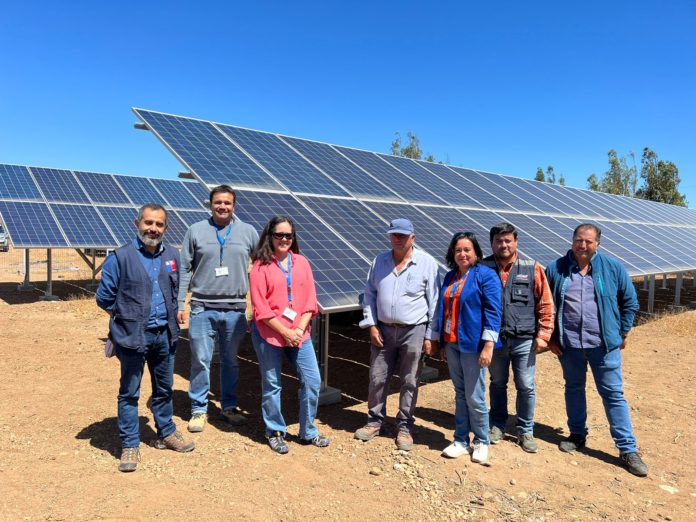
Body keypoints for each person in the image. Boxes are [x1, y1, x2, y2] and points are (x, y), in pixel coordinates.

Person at [96, 203, 195, 472]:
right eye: (148, 223)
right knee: (129, 392)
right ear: (137, 223)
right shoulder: (120, 257)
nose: (153, 229)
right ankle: (130, 443)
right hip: (132, 338)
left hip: (165, 336)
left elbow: (174, 293)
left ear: (166, 228)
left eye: (159, 224)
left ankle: (166, 431)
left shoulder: (172, 255)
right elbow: (104, 298)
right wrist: (127, 317)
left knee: (163, 388)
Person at [545, 223, 648, 477]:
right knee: (574, 389)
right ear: (572, 241)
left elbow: (630, 302)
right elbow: (546, 305)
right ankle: (577, 434)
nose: (583, 245)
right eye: (579, 240)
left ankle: (627, 449)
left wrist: (622, 332)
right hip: (569, 346)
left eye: (588, 242)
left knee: (613, 394)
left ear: (597, 244)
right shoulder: (556, 269)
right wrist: (550, 338)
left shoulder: (612, 268)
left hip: (604, 346)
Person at [177, 185, 259, 433]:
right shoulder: (195, 230)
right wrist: (181, 302)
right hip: (202, 307)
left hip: (235, 309)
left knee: (230, 361)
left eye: (227, 203)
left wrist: (258, 305)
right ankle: (199, 409)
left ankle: (229, 407)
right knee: (201, 361)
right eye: (218, 202)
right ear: (210, 204)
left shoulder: (248, 232)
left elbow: (262, 265)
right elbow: (184, 268)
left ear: (234, 206)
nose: (223, 206)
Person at [356, 218, 440, 451]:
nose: (398, 239)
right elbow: (369, 295)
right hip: (382, 329)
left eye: (403, 235)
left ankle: (404, 425)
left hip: (414, 330)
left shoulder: (426, 263)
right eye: (394, 234)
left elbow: (434, 302)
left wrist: (430, 336)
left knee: (410, 380)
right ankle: (375, 421)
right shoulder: (379, 261)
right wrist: (371, 325)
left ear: (413, 238)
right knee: (377, 377)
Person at [249, 216, 330, 454]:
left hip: (299, 334)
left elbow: (309, 300)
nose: (284, 239)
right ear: (270, 236)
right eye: (279, 235)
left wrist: (298, 330)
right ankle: (274, 430)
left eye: (288, 235)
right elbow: (260, 309)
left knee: (312, 380)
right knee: (272, 384)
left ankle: (308, 431)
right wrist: (285, 332)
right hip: (269, 334)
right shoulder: (259, 266)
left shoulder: (302, 262)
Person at [480, 223, 554, 453]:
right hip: (495, 340)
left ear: (516, 242)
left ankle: (525, 430)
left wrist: (544, 335)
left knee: (525, 385)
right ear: (492, 243)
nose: (503, 245)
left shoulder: (532, 268)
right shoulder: (482, 267)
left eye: (507, 240)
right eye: (498, 241)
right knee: (497, 384)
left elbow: (546, 304)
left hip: (524, 339)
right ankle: (498, 425)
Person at [430, 232, 501, 464]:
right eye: (458, 250)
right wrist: (442, 341)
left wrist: (488, 345)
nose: (462, 254)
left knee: (475, 396)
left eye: (467, 250)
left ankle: (481, 440)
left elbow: (493, 312)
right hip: (453, 344)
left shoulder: (486, 276)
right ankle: (461, 440)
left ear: (476, 253)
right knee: (460, 394)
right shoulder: (450, 276)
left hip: (474, 345)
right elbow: (444, 311)